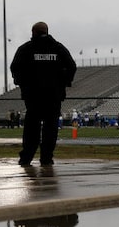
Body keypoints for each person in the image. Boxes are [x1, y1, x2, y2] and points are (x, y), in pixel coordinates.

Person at [10, 21, 77, 166]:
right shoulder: (58, 48)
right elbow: (72, 66)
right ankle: (46, 158)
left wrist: (22, 83)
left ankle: (26, 157)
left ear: (33, 32)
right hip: (53, 96)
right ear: (47, 31)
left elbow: (14, 68)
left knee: (31, 128)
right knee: (50, 128)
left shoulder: (26, 49)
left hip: (33, 96)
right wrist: (63, 82)